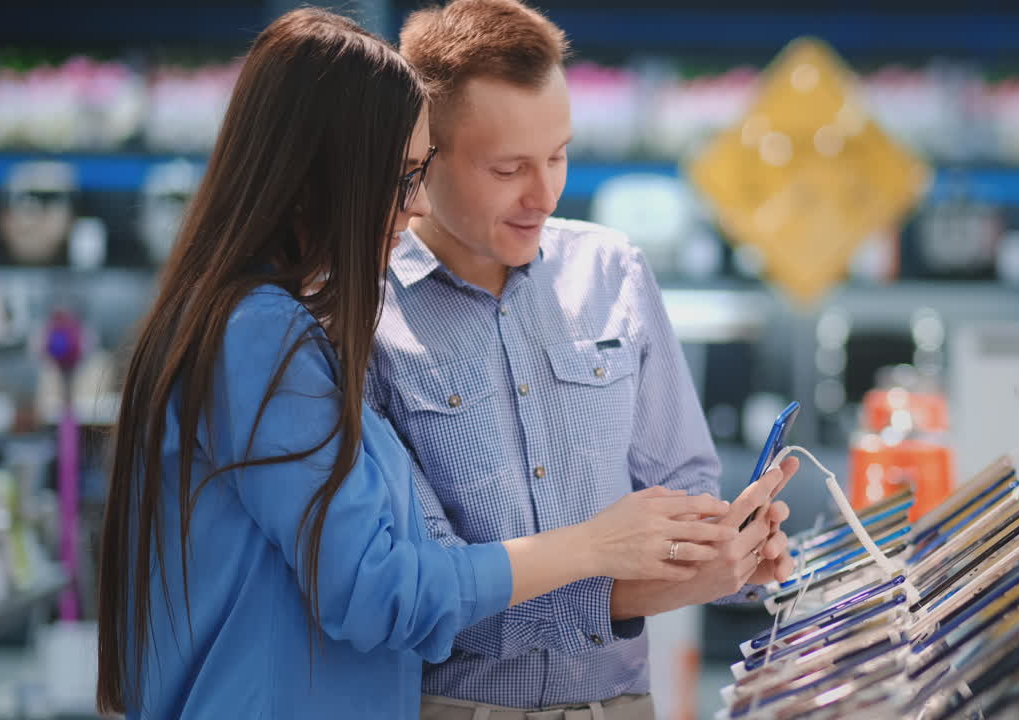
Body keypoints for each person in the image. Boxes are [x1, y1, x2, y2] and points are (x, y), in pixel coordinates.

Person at [93, 9, 739, 720]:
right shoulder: (269, 333)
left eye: (557, 156)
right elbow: (385, 592)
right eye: (403, 177)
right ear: (325, 175)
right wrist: (592, 547)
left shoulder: (265, 326)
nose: (417, 204)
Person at [365, 1, 799, 717]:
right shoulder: (367, 317)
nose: (544, 195)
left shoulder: (612, 270)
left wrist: (734, 552)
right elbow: (433, 598)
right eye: (509, 168)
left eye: (559, 156)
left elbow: (685, 492)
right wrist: (635, 581)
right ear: (422, 161)